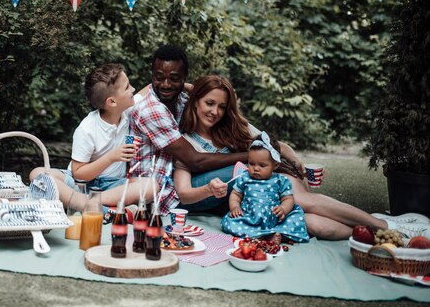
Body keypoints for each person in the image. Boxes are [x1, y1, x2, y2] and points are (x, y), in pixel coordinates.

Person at [174, 74, 430, 240]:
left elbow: (279, 146)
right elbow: (184, 193)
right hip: (252, 206)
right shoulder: (183, 142)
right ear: (194, 101)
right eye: (209, 103)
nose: (215, 112)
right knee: (317, 225)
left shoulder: (232, 128)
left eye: (221, 106)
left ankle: (386, 226)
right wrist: (209, 189)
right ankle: (386, 234)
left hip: (275, 187)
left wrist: (300, 166)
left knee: (302, 197)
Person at [129, 45, 246, 215]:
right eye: (159, 77)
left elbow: (207, 100)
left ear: (184, 78)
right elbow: (194, 160)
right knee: (246, 169)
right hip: (164, 196)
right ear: (152, 75)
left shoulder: (182, 100)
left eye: (174, 78)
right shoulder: (150, 109)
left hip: (187, 179)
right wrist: (251, 156)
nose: (166, 85)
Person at [29, 63, 154, 217]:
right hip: (80, 185)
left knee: (150, 185)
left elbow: (150, 88)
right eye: (127, 87)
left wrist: (189, 88)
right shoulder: (87, 129)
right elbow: (78, 174)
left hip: (112, 187)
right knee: (38, 174)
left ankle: (90, 205)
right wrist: (111, 157)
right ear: (112, 102)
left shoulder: (126, 111)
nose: (133, 89)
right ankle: (93, 206)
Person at [221, 132, 309, 243]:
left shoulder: (280, 180)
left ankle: (278, 234)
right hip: (250, 217)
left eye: (262, 165)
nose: (255, 168)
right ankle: (261, 236)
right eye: (251, 163)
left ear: (275, 165)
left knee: (295, 218)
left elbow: (288, 198)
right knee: (229, 223)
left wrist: (283, 209)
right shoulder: (245, 177)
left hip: (274, 218)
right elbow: (235, 194)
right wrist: (234, 207)